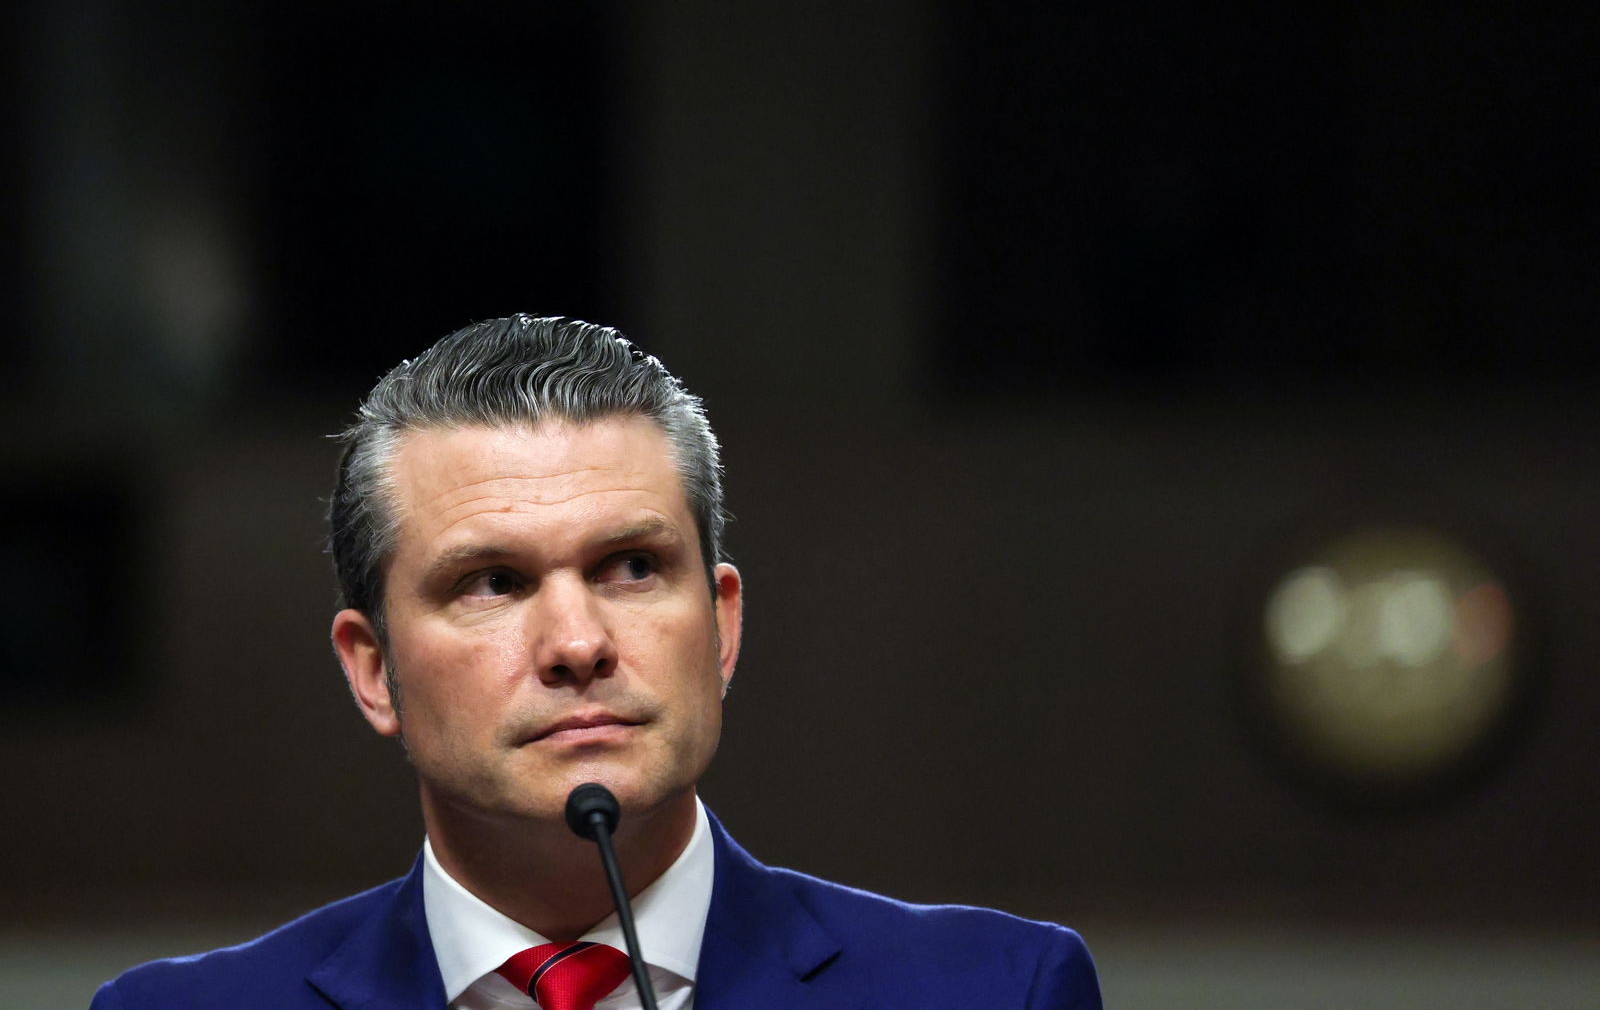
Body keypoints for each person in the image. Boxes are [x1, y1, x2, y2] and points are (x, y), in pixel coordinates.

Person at [92, 315, 1102, 1009]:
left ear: (722, 627)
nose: (578, 644)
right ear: (373, 668)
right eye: (492, 582)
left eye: (631, 567)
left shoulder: (994, 991)